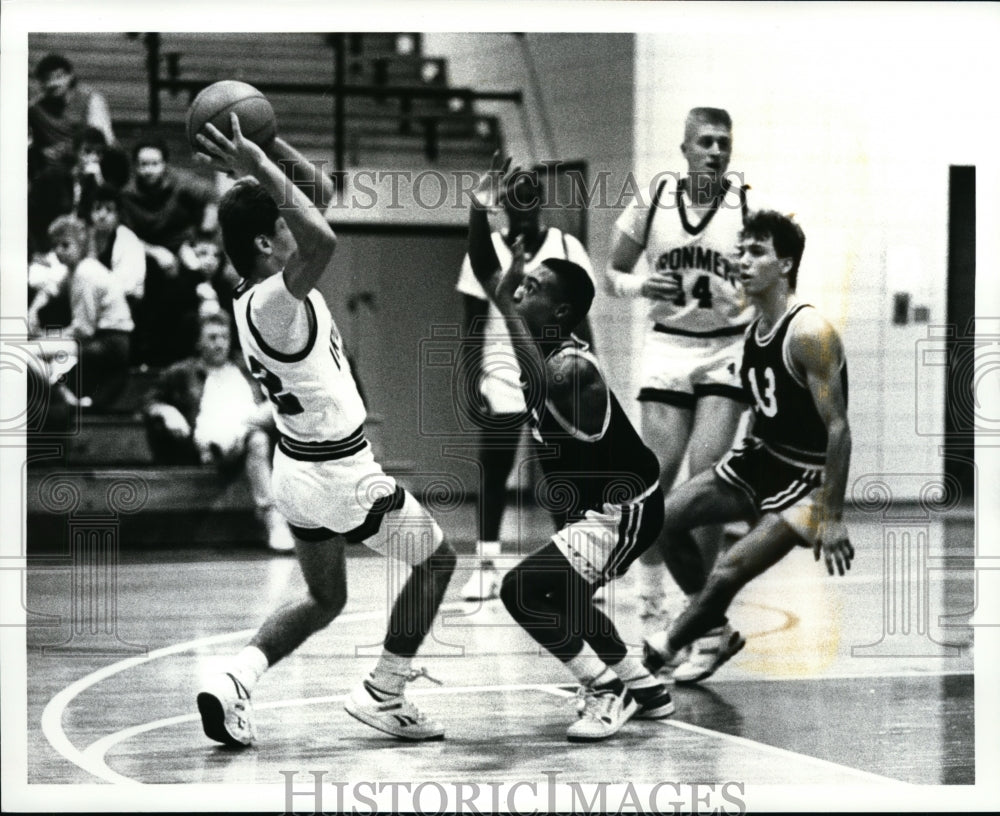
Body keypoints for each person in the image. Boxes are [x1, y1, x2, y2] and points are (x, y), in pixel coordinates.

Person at [193, 112, 456, 746]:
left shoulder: (244, 288)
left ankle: (233, 680)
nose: (300, 219)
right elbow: (325, 239)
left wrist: (269, 140)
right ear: (264, 243)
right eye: (283, 222)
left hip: (297, 470)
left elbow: (321, 200)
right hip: (340, 471)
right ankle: (385, 693)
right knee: (439, 562)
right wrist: (256, 165)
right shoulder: (277, 300)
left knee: (323, 600)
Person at [468, 155, 674, 742]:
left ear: (559, 312)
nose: (520, 285)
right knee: (562, 593)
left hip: (626, 511)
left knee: (522, 591)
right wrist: (478, 209)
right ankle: (643, 687)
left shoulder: (570, 370)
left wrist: (504, 298)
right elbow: (491, 277)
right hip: (598, 507)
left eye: (532, 286)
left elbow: (504, 305)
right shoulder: (545, 350)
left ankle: (603, 691)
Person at [642, 209, 853, 684]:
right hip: (762, 459)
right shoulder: (752, 330)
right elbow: (766, 405)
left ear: (786, 265)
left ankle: (657, 654)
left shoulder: (809, 333)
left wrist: (833, 517)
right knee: (658, 521)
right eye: (739, 250)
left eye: (756, 251)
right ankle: (714, 632)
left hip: (808, 480)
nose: (741, 260)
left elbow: (839, 429)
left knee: (727, 570)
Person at [605, 107, 752, 675]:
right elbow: (612, 272)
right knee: (653, 483)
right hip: (668, 345)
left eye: (724, 142)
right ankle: (652, 603)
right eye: (706, 142)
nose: (716, 152)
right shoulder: (655, 197)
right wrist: (644, 283)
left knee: (706, 478)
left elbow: (774, 279)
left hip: (724, 348)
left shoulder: (746, 205)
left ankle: (699, 616)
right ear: (685, 147)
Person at [455, 172, 597, 602]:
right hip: (502, 368)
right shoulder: (486, 252)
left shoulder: (567, 248)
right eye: (514, 198)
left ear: (539, 201)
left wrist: (589, 370)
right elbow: (471, 321)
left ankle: (577, 566)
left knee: (561, 472)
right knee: (494, 468)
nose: (524, 204)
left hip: (554, 371)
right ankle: (486, 565)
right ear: (503, 204)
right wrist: (472, 376)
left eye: (530, 196)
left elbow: (581, 316)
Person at [142, 311, 295, 553]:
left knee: (260, 427)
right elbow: (150, 401)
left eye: (224, 337)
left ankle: (238, 434)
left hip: (244, 434)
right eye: (212, 337)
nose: (219, 343)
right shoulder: (183, 372)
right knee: (256, 439)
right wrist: (167, 411)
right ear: (199, 342)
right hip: (210, 443)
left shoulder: (246, 368)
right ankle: (273, 521)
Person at [119, 136, 220, 366]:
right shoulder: (127, 195)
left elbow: (211, 196)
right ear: (136, 166)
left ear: (164, 164)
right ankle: (147, 360)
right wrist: (155, 252)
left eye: (154, 164)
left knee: (200, 285)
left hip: (184, 247)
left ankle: (192, 356)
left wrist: (203, 236)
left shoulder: (181, 182)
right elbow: (125, 234)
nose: (149, 170)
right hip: (147, 253)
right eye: (143, 165)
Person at [27, 215, 133, 410]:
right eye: (55, 246)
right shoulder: (76, 269)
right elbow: (52, 287)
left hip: (109, 344)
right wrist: (33, 310)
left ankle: (57, 393)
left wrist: (45, 336)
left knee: (28, 353)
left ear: (81, 245)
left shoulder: (85, 273)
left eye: (65, 245)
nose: (59, 251)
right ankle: (56, 388)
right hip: (103, 340)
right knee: (34, 351)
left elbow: (84, 330)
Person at [28, 53, 116, 179]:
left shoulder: (91, 99)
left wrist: (69, 151)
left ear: (70, 75)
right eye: (47, 79)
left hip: (88, 165)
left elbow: (103, 138)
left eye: (59, 77)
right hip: (51, 172)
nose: (53, 83)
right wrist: (40, 152)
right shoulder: (34, 109)